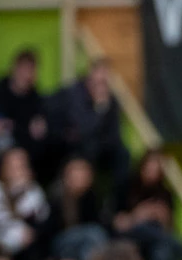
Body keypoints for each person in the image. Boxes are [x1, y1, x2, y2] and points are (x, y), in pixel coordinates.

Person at [45, 57, 127, 189]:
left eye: (104, 82)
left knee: (123, 154)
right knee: (89, 148)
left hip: (101, 146)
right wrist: (99, 110)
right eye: (97, 82)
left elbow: (115, 135)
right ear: (90, 78)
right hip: (75, 144)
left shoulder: (111, 101)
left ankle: (118, 199)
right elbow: (83, 129)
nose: (101, 87)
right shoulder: (75, 94)